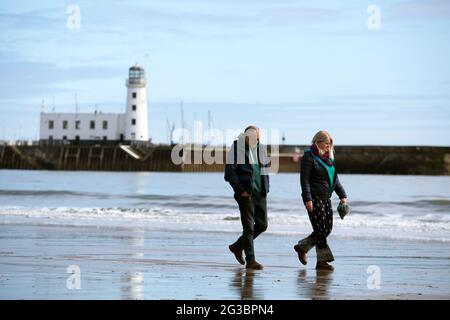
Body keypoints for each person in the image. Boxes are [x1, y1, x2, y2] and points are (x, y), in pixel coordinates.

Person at [294, 130, 348, 270]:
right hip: (314, 198)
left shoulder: (329, 159)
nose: (329, 146)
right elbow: (304, 180)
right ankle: (322, 262)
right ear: (318, 142)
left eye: (330, 143)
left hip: (326, 198)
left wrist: (342, 196)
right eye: (327, 143)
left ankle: (302, 247)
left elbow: (334, 180)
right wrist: (308, 199)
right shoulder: (309, 157)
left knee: (326, 229)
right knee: (320, 229)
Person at [224, 126, 270, 270]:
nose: (255, 139)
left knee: (262, 225)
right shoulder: (237, 148)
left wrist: (266, 187)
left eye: (257, 136)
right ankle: (251, 260)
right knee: (249, 228)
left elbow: (263, 170)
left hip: (260, 194)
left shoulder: (261, 148)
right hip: (246, 195)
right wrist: (241, 190)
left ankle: (237, 246)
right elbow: (229, 173)